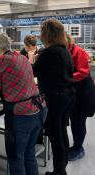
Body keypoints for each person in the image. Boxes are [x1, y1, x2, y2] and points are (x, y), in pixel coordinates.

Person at [0, 33, 47, 175]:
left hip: (21, 116)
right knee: (29, 153)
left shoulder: (0, 62)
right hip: (38, 110)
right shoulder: (21, 57)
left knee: (16, 158)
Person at [32, 19, 75, 175]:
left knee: (55, 135)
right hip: (67, 96)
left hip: (55, 99)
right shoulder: (64, 50)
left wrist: (32, 60)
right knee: (61, 132)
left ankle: (59, 172)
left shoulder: (49, 52)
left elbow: (33, 71)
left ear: (47, 34)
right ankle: (61, 168)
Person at [66, 33, 95, 161]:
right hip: (75, 91)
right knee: (74, 120)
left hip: (84, 91)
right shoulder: (67, 52)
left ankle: (78, 148)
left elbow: (82, 73)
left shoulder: (79, 52)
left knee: (79, 121)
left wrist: (66, 79)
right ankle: (76, 146)